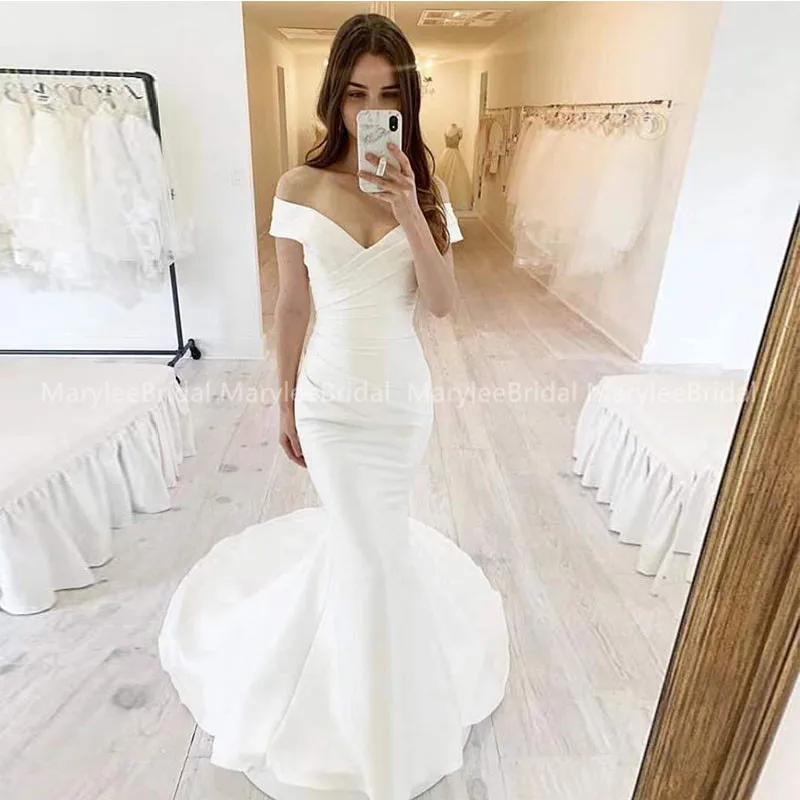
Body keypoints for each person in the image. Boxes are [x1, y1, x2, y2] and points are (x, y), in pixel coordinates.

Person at [158, 14, 509, 800]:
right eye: (356, 94)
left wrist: (411, 210)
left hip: (400, 403)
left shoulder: (427, 189)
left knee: (373, 549)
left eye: (388, 95)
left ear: (408, 101)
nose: (370, 110)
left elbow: (443, 305)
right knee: (369, 553)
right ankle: (360, 721)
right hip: (329, 402)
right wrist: (282, 401)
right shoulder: (298, 186)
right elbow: (291, 304)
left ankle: (377, 710)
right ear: (333, 98)